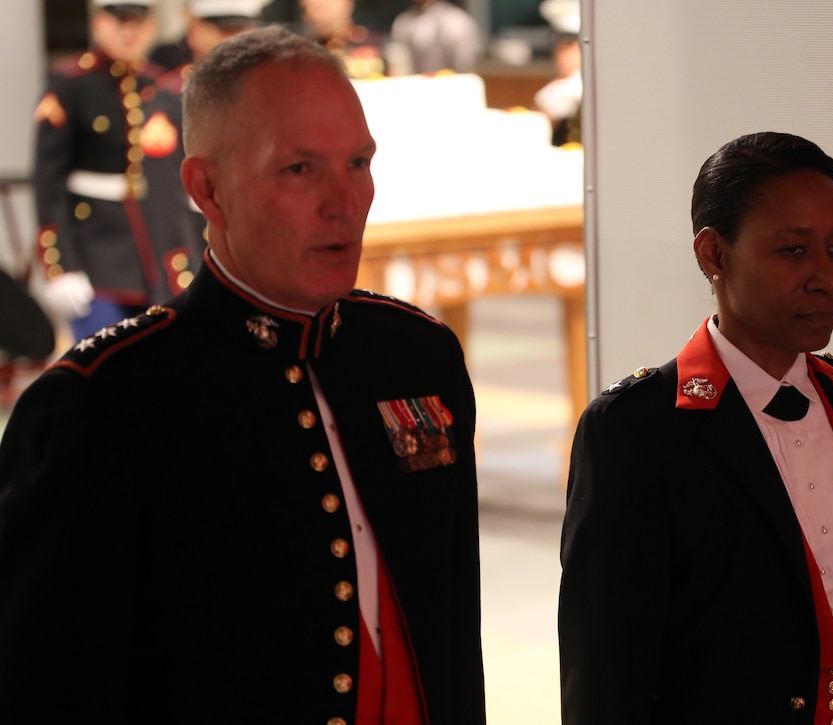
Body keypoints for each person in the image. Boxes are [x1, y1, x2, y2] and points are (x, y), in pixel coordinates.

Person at [0, 25, 486, 724]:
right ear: (207, 188)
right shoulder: (103, 403)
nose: (343, 202)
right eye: (300, 169)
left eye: (358, 162)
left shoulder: (417, 356)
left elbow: (450, 644)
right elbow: (46, 688)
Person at [559, 132, 833, 724]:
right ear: (715, 255)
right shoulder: (638, 431)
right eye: (793, 251)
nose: (825, 278)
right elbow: (605, 671)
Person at [30, 0, 184, 342]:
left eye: (138, 21)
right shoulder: (70, 83)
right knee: (102, 367)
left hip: (153, 253)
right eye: (119, 20)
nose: (129, 30)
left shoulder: (160, 86)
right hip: (93, 250)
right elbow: (48, 182)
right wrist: (59, 266)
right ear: (98, 23)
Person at [140, 0, 269, 276]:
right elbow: (164, 199)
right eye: (222, 29)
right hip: (202, 246)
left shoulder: (280, 93)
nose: (234, 40)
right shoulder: (172, 98)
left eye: (241, 28)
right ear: (195, 31)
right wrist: (179, 272)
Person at [534, 0, 581, 146]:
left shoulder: (576, 87)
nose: (559, 49)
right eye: (556, 41)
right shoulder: (557, 86)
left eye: (569, 41)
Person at [388, 0, 481, 75]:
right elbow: (399, 66)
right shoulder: (403, 21)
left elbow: (464, 67)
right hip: (413, 91)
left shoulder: (457, 21)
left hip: (450, 91)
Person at [300, 0, 386, 78]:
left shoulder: (372, 44)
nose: (314, 16)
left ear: (347, 3)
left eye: (321, 8)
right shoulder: (303, 51)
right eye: (306, 9)